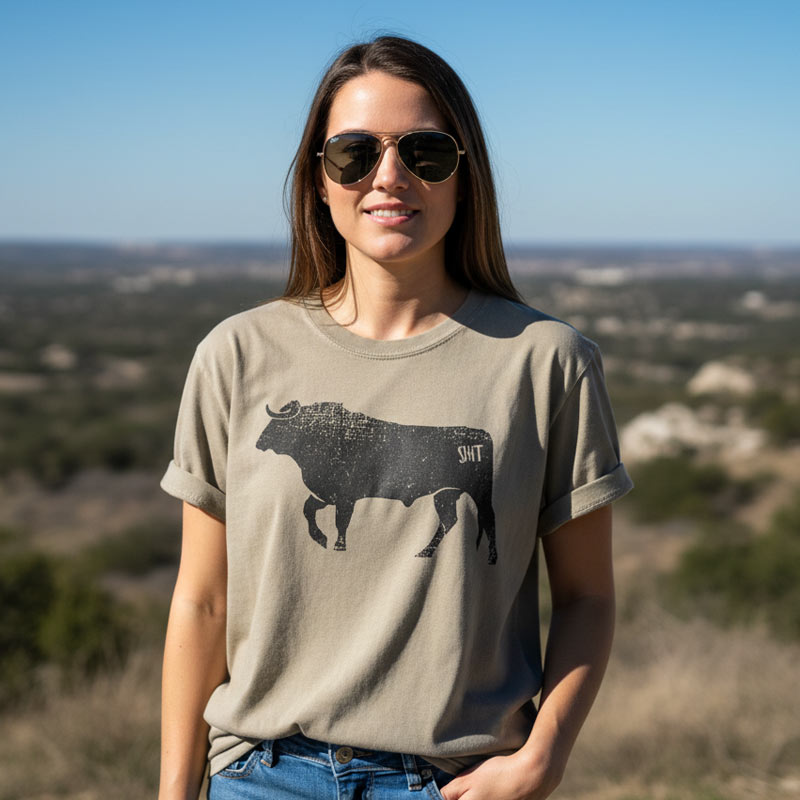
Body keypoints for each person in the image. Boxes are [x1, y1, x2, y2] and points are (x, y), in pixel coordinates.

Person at [158, 35, 633, 800]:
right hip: (263, 774)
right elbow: (202, 601)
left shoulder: (547, 362)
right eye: (353, 153)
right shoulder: (236, 356)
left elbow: (588, 597)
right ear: (317, 180)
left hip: (453, 780)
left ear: (464, 177)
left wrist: (543, 758)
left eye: (426, 152)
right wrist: (176, 791)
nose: (389, 176)